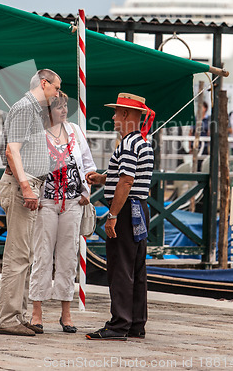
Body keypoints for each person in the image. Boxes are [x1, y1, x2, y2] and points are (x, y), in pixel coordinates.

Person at [0, 69, 61, 337]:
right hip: (23, 186)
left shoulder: (32, 110)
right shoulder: (24, 108)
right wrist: (25, 187)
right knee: (18, 255)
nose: (58, 93)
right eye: (56, 87)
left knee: (25, 255)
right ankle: (7, 317)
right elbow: (12, 151)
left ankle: (16, 315)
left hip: (30, 185)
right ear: (44, 84)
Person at [85, 92, 154, 341]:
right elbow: (125, 175)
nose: (113, 117)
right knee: (136, 267)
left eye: (116, 112)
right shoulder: (143, 143)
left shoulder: (127, 144)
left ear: (126, 114)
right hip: (140, 209)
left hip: (126, 211)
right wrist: (104, 178)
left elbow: (126, 181)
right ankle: (135, 323)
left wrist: (112, 215)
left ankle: (118, 324)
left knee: (120, 267)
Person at [29, 91, 96, 333]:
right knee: (43, 254)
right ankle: (37, 310)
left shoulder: (75, 131)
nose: (64, 111)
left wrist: (86, 192)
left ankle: (66, 312)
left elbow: (88, 163)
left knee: (68, 257)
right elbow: (27, 165)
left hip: (73, 202)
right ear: (47, 111)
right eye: (58, 107)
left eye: (65, 106)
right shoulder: (36, 134)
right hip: (45, 201)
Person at [189, 101, 210, 170]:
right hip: (195, 145)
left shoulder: (208, 120)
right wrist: (189, 147)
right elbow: (191, 132)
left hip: (205, 146)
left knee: (203, 164)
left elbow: (209, 133)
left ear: (205, 108)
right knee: (195, 163)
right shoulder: (195, 119)